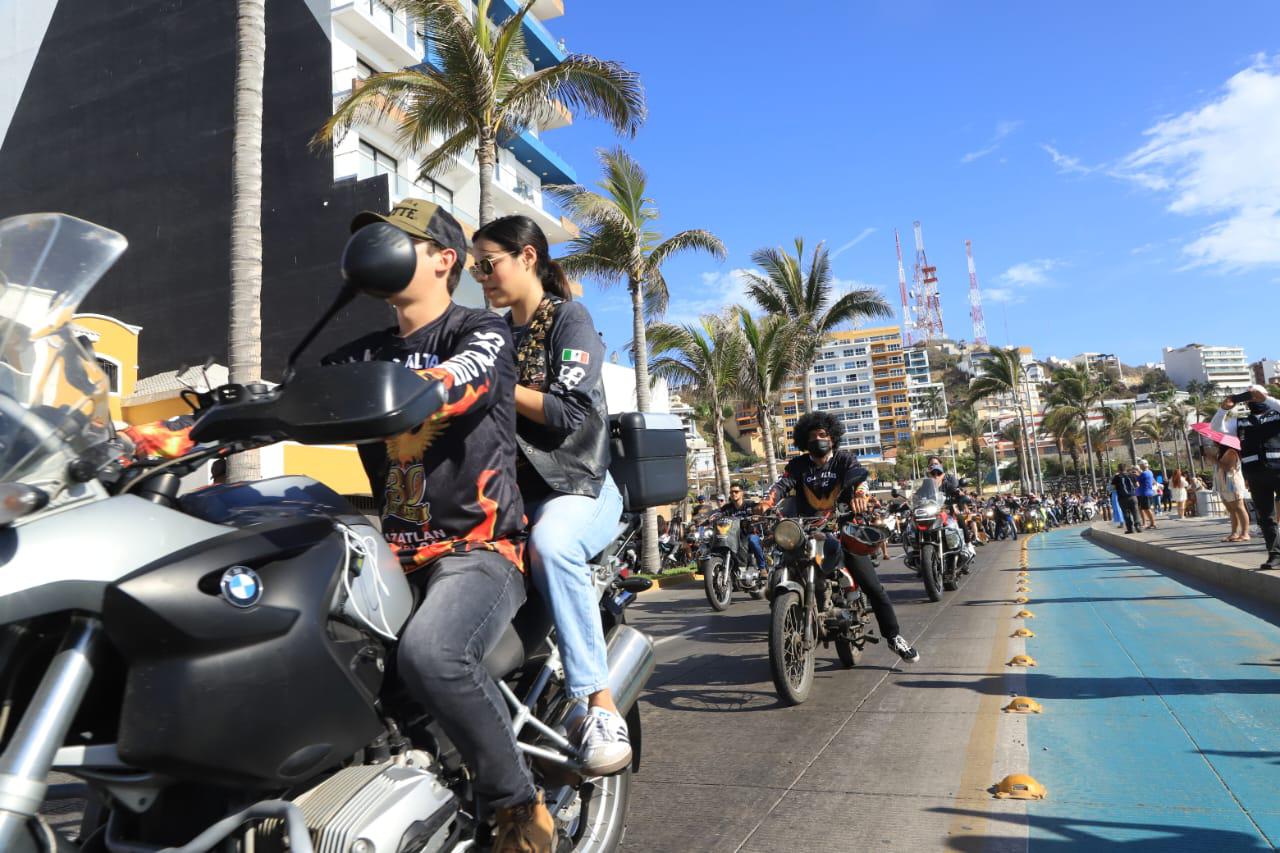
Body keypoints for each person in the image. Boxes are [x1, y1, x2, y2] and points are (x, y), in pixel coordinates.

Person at [322, 200, 550, 849]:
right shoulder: (362, 354)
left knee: (434, 652)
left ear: (444, 259)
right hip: (394, 556)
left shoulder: (480, 331)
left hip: (479, 550)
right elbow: (297, 395)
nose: (380, 246)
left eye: (401, 238)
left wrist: (403, 384)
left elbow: (459, 380)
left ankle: (517, 802)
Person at [470, 213, 631, 777]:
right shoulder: (489, 335)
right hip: (509, 495)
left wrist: (492, 385)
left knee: (553, 543)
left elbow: (567, 412)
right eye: (474, 268)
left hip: (577, 485)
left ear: (527, 258)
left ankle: (600, 704)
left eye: (487, 264)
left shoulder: (570, 319)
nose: (480, 276)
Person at [758, 412, 920, 663]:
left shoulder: (844, 460)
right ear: (804, 440)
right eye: (812, 436)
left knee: (872, 585)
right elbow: (782, 484)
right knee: (782, 563)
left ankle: (894, 637)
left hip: (843, 527)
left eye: (822, 435)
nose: (817, 440)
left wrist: (860, 496)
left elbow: (859, 479)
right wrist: (767, 501)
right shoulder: (799, 466)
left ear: (832, 439)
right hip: (807, 530)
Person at [1212, 385, 1280, 569]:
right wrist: (1223, 409)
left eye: (1253, 394)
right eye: (1248, 397)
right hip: (1256, 475)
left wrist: (1266, 399)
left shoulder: (1276, 413)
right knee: (1266, 518)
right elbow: (1216, 429)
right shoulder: (1240, 421)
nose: (1251, 399)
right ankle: (1274, 555)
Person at [722, 481, 768, 573]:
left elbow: (761, 510)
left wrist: (757, 516)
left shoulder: (750, 505)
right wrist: (711, 518)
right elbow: (718, 514)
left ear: (742, 493)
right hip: (732, 536)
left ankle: (762, 568)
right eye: (731, 492)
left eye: (736, 491)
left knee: (753, 540)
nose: (733, 494)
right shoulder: (726, 508)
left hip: (749, 534)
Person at [1211, 444, 1251, 543]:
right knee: (1231, 509)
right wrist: (1212, 457)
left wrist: (1215, 460)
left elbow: (1228, 468)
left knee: (1239, 507)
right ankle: (1234, 533)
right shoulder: (1221, 452)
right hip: (1223, 484)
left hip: (1232, 483)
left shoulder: (1231, 452)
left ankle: (1245, 533)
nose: (1213, 442)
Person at [1111, 464, 1140, 534]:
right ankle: (1138, 526)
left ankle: (1130, 529)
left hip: (1122, 498)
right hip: (1133, 497)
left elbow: (1113, 488)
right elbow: (1137, 485)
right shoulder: (1131, 475)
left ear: (1118, 469)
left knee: (1126, 514)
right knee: (1135, 512)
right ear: (1126, 468)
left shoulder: (1116, 477)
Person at [1135, 460, 1158, 530]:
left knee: (1147, 509)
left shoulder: (1144, 474)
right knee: (1145, 509)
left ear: (1144, 465)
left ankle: (1153, 523)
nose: (1140, 466)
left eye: (1141, 465)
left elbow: (1136, 482)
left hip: (1144, 493)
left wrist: (1136, 474)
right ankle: (1151, 523)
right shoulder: (1150, 472)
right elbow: (1154, 482)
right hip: (1146, 493)